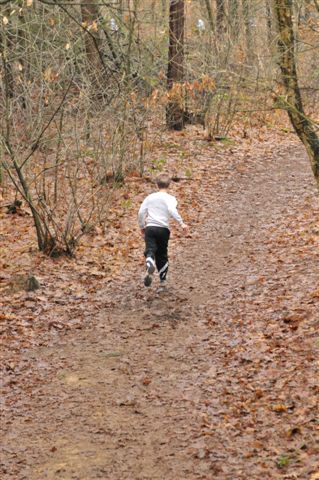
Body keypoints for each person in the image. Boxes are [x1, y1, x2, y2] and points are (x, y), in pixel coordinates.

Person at [138, 173, 188, 288]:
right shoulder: (171, 198)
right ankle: (162, 282)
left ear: (157, 184)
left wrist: (142, 226)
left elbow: (141, 212)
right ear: (169, 185)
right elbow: (172, 210)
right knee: (162, 254)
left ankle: (149, 261)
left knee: (150, 249)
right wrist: (182, 223)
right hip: (163, 229)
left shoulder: (150, 197)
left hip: (150, 228)